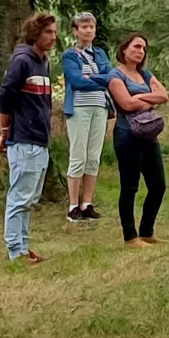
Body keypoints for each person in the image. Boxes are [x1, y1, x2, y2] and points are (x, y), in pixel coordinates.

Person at [0, 12, 58, 265]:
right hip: (23, 140)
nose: (53, 37)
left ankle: (23, 247)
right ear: (35, 33)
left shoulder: (43, 63)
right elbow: (5, 95)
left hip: (40, 140)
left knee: (29, 199)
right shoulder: (22, 61)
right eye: (48, 32)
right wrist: (4, 131)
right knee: (19, 197)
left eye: (54, 32)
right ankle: (15, 251)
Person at [107, 33, 169, 247]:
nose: (140, 51)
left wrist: (139, 98)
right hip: (127, 135)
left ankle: (146, 232)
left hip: (149, 134)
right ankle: (130, 237)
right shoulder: (115, 75)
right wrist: (146, 100)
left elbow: (164, 95)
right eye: (136, 47)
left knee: (158, 185)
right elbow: (125, 104)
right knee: (130, 186)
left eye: (143, 48)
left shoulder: (145, 74)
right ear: (124, 49)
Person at [60, 13, 113, 223]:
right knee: (78, 155)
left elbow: (110, 76)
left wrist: (93, 78)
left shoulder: (99, 53)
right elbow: (76, 81)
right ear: (75, 30)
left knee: (93, 156)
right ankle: (73, 205)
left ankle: (87, 203)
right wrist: (96, 80)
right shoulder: (69, 55)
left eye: (91, 26)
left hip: (100, 107)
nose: (89, 30)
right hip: (79, 108)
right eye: (84, 27)